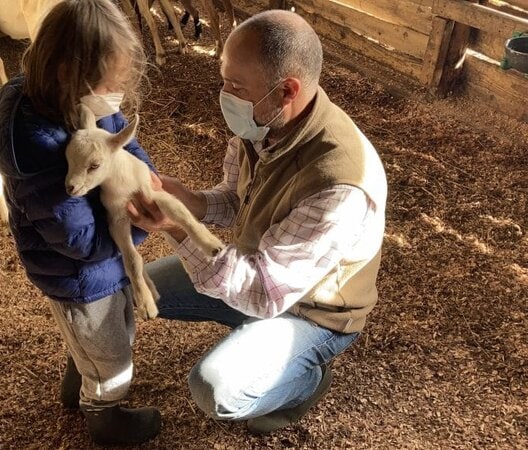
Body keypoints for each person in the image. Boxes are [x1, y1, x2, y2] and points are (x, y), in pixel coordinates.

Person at [129, 10, 388, 435]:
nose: (223, 95)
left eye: (234, 86)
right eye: (224, 80)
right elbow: (236, 199)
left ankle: (306, 378)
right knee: (133, 285)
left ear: (286, 89)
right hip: (257, 271)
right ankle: (254, 343)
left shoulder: (338, 184)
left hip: (312, 312)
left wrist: (177, 227)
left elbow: (264, 295)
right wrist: (189, 201)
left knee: (216, 390)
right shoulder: (263, 122)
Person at [0, 0, 162, 445]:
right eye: (108, 84)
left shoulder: (81, 104)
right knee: (112, 351)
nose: (114, 95)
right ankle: (105, 412)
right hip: (77, 273)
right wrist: (139, 222)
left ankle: (80, 375)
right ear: (69, 74)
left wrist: (141, 171)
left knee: (111, 324)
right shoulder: (37, 146)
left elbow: (121, 139)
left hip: (99, 263)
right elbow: (79, 241)